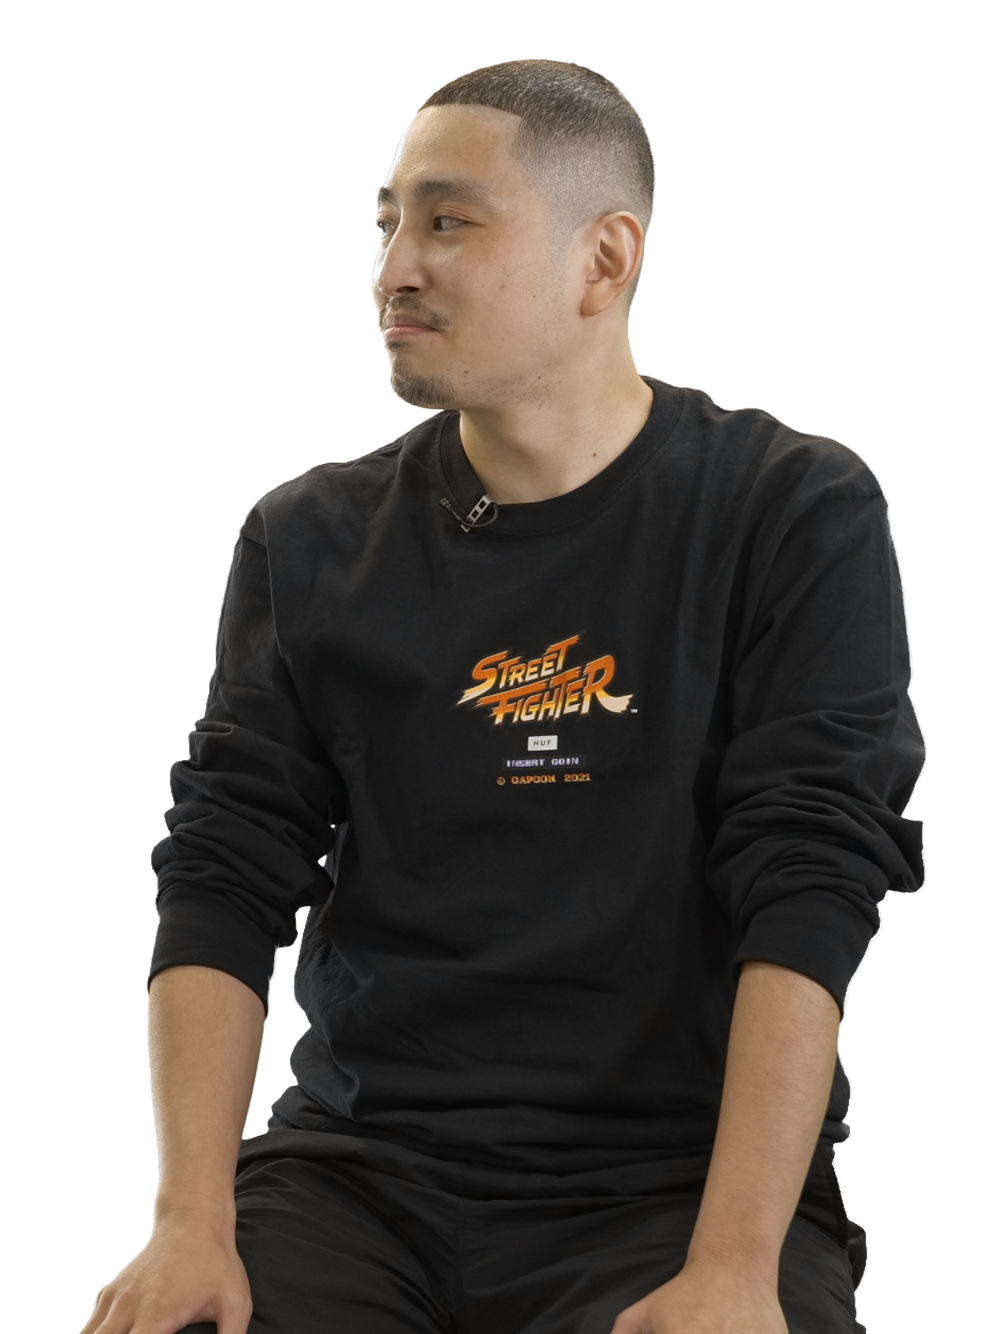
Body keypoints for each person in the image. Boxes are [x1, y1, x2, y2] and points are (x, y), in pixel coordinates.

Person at [81, 59, 924, 1334]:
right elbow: (224, 866)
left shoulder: (787, 510)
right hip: (362, 1178)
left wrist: (734, 1266)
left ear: (604, 259)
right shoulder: (311, 538)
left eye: (448, 221)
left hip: (675, 1189)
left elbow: (811, 877)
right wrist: (190, 1221)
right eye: (386, 223)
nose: (393, 270)